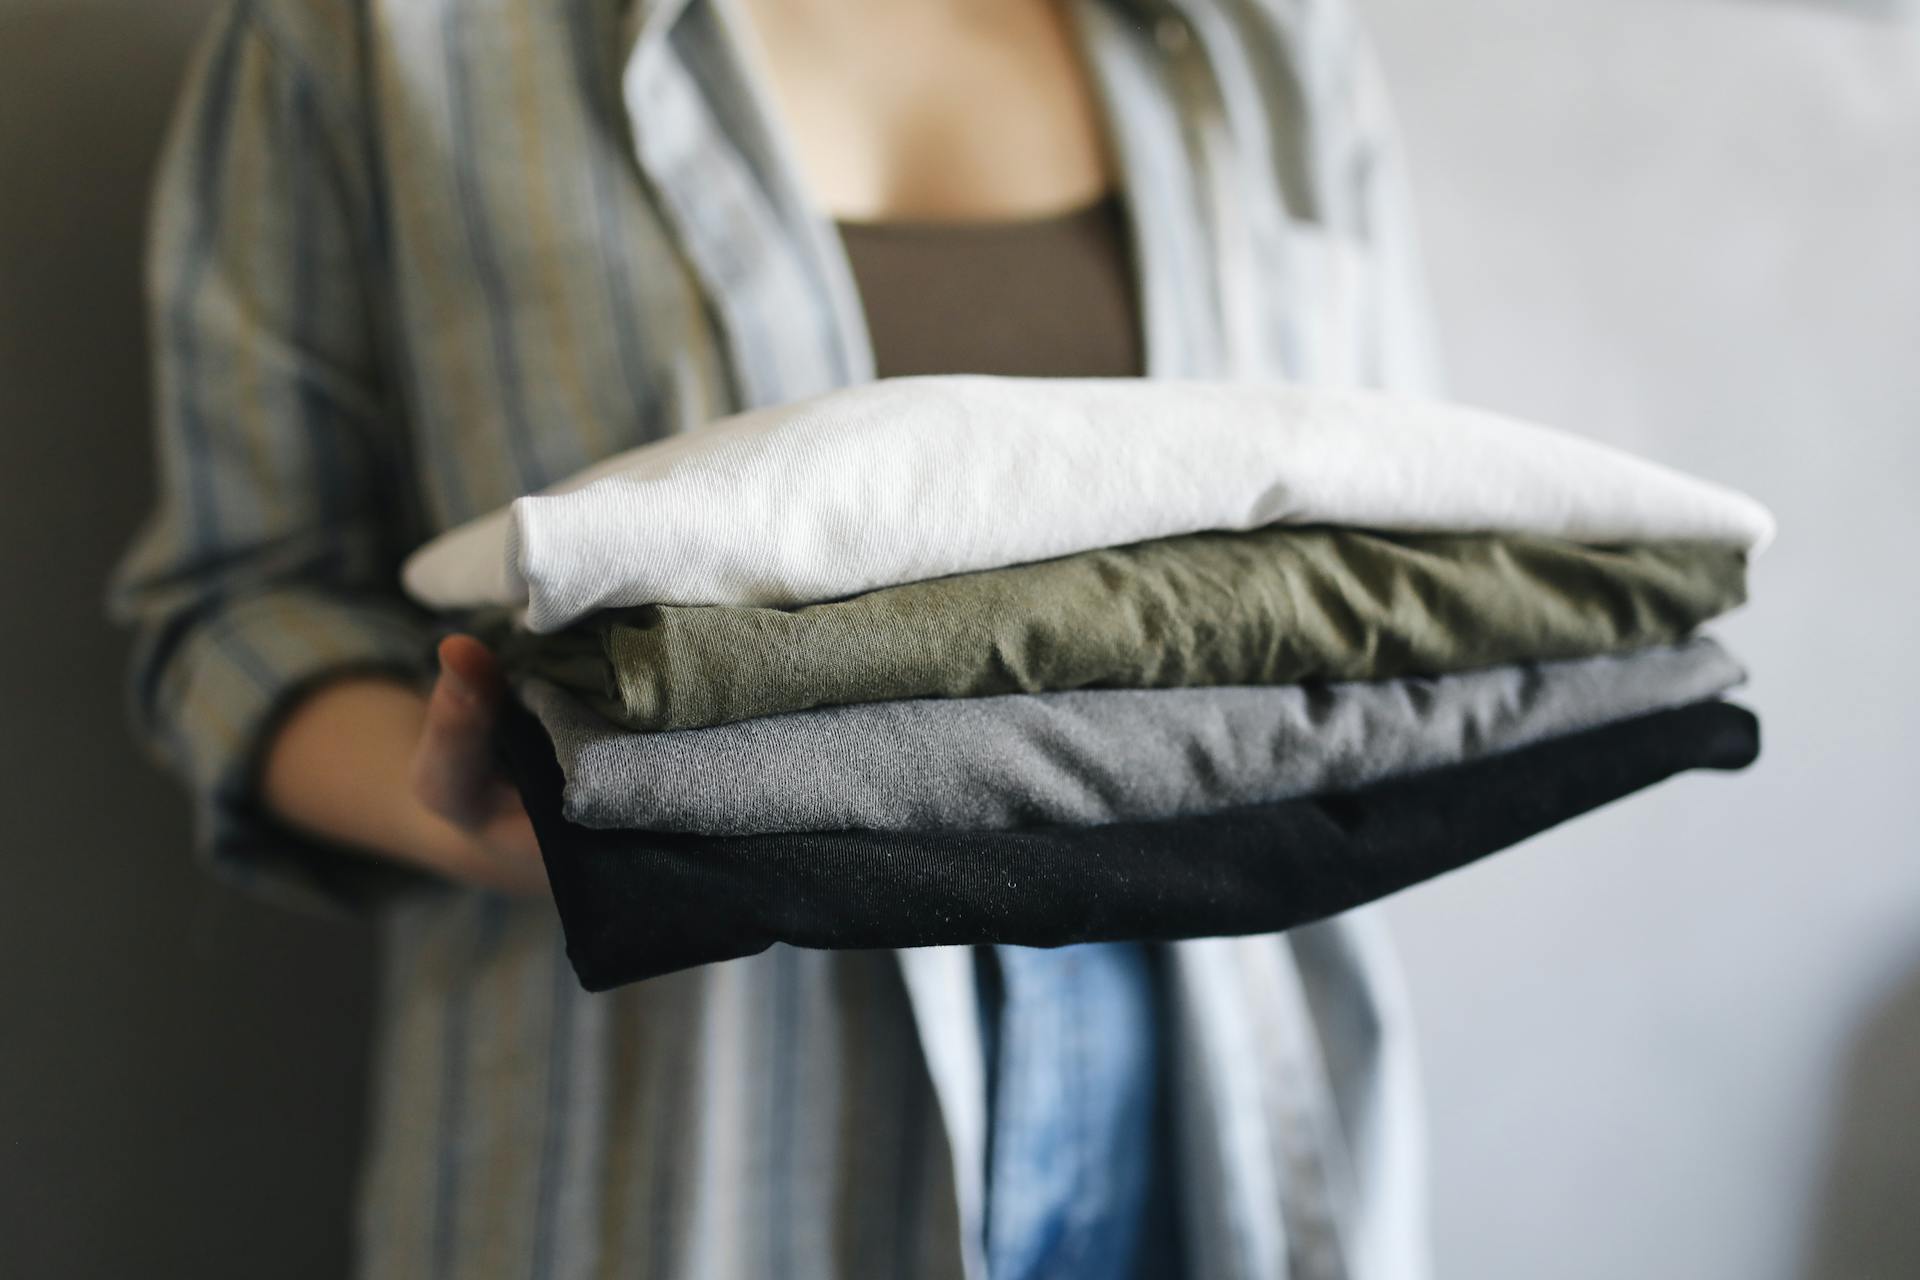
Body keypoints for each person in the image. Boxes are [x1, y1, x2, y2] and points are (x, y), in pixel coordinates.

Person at [112, 0, 1440, 1276]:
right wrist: (471, 812)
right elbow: (237, 604)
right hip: (679, 1128)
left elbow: (1412, 539)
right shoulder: (375, 28)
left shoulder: (1257, 32)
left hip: (1220, 1109)